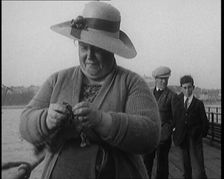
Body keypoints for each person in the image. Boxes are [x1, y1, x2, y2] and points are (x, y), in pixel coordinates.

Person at [19, 2, 161, 179]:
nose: (89, 56)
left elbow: (151, 134)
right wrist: (46, 119)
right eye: (84, 47)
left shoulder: (132, 83)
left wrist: (103, 120)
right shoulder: (57, 80)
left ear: (112, 50)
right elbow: (25, 122)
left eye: (98, 49)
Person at [143, 66, 177, 179]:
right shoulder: (148, 94)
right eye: (162, 79)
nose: (164, 81)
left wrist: (168, 129)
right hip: (149, 136)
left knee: (162, 166)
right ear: (156, 79)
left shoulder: (172, 96)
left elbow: (175, 117)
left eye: (166, 79)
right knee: (146, 163)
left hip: (164, 138)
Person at [173, 75, 209, 179]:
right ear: (181, 88)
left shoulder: (198, 104)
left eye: (189, 87)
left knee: (198, 169)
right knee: (185, 168)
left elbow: (205, 124)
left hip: (194, 140)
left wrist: (199, 134)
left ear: (193, 87)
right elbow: (175, 118)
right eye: (184, 88)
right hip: (181, 139)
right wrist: (175, 131)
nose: (187, 90)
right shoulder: (177, 102)